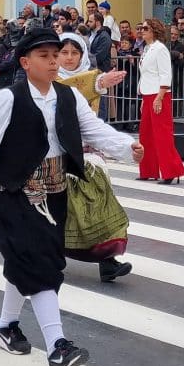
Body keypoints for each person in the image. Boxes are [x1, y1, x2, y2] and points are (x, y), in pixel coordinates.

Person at [0, 28, 144, 366]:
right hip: (16, 195)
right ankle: (58, 347)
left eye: (56, 55)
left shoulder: (68, 97)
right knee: (40, 267)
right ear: (25, 62)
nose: (54, 61)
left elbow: (93, 130)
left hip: (56, 194)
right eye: (45, 56)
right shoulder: (7, 99)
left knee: (29, 262)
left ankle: (6, 325)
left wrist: (125, 146)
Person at [52, 32, 134, 281]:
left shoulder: (91, 76)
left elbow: (93, 122)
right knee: (58, 211)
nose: (68, 58)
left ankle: (107, 261)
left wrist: (125, 146)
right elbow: (68, 89)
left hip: (88, 153)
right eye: (63, 53)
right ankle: (52, 256)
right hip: (56, 154)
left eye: (74, 53)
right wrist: (98, 82)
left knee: (100, 204)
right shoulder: (49, 80)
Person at [137, 17, 184, 184]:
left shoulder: (160, 49)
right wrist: (144, 97)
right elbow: (146, 74)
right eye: (142, 28)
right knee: (146, 135)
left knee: (162, 135)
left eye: (145, 28)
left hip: (160, 95)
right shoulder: (147, 49)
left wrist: (159, 97)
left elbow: (166, 74)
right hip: (148, 94)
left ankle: (170, 171)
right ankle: (148, 170)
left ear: (153, 31)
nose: (142, 31)